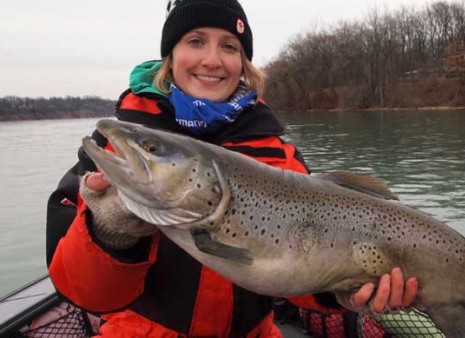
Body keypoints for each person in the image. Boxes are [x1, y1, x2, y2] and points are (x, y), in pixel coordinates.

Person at [46, 0, 418, 336]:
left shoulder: (281, 156)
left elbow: (302, 278)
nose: (212, 59)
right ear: (170, 57)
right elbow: (81, 291)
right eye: (195, 41)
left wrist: (346, 293)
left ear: (243, 64)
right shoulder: (110, 155)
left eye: (229, 46)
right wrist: (109, 233)